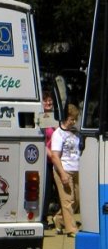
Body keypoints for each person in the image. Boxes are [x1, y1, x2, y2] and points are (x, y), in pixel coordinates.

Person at [50, 103, 81, 236]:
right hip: (64, 169)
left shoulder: (75, 132)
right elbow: (55, 156)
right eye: (71, 119)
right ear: (65, 118)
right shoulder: (58, 134)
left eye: (75, 119)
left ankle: (59, 219)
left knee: (77, 200)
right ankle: (71, 230)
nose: (73, 122)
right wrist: (62, 174)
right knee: (68, 200)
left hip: (76, 169)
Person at [39, 90, 60, 227]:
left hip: (57, 158)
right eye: (45, 100)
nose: (48, 102)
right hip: (46, 159)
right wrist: (49, 154)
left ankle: (59, 217)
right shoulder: (40, 117)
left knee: (59, 190)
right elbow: (41, 140)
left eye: (50, 100)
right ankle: (43, 217)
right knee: (46, 189)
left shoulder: (56, 118)